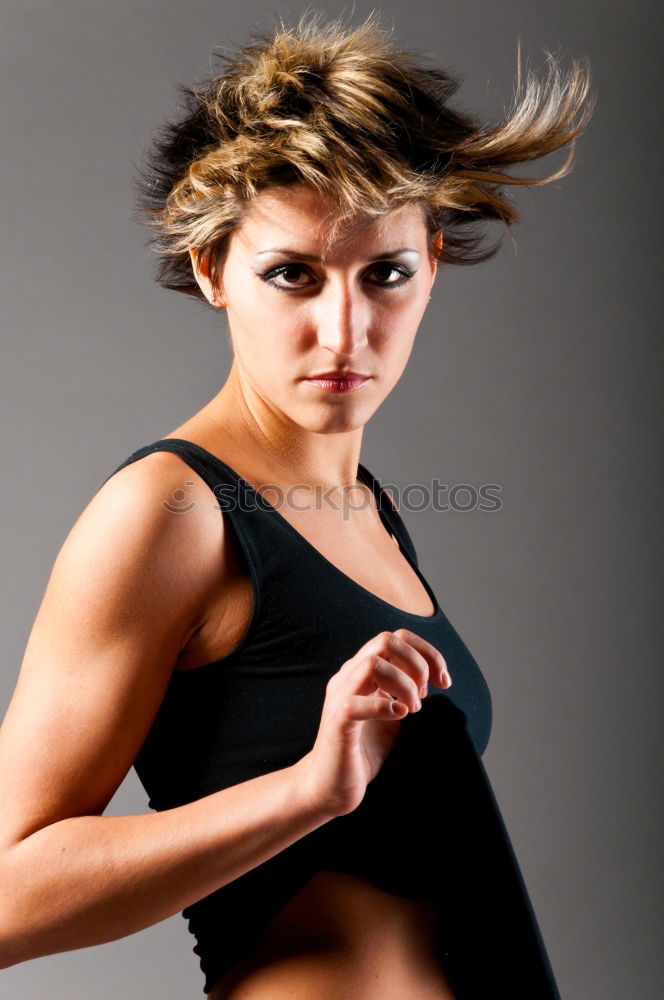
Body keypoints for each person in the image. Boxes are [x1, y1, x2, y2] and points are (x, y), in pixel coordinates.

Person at [0, 11, 594, 999]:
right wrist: (309, 791)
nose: (345, 329)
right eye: (294, 275)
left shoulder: (368, 510)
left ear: (432, 266)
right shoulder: (168, 511)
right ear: (211, 268)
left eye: (386, 274)